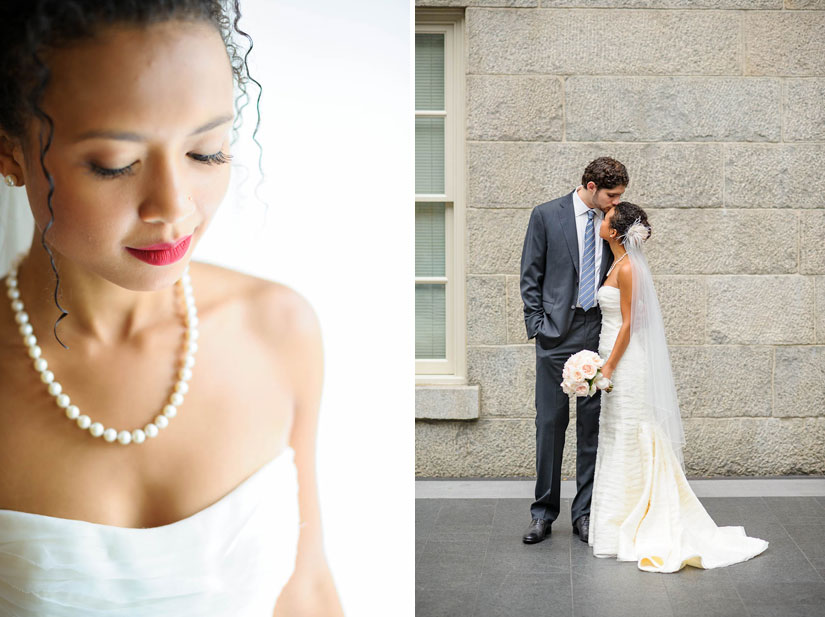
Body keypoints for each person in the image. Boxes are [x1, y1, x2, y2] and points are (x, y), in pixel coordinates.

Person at [0, 2, 344, 615]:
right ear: (10, 153)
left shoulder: (278, 329)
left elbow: (308, 587)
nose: (175, 206)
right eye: (115, 163)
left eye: (207, 151)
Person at [589, 201, 768, 572]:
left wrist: (607, 365)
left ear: (616, 230)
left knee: (628, 436)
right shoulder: (617, 264)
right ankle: (612, 525)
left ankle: (639, 522)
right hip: (612, 360)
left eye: (606, 218)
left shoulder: (629, 270)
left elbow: (628, 325)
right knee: (613, 436)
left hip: (625, 362)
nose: (600, 220)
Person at [519, 157, 626, 544]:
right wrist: (538, 326)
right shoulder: (547, 215)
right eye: (611, 195)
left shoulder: (612, 219)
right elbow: (531, 275)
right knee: (550, 425)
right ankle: (543, 514)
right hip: (555, 334)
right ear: (591, 186)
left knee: (591, 427)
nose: (616, 203)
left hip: (596, 331)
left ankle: (585, 514)